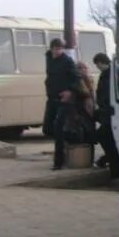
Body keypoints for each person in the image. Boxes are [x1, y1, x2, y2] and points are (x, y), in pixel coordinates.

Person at [44, 38, 79, 170]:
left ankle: (59, 161)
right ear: (52, 48)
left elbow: (77, 77)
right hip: (51, 97)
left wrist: (70, 91)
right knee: (47, 128)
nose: (58, 51)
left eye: (60, 48)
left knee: (58, 127)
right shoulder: (48, 58)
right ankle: (69, 139)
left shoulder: (67, 61)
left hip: (64, 99)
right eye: (56, 48)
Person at [93, 53, 119, 179]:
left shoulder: (108, 75)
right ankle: (110, 164)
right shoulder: (112, 73)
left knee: (104, 137)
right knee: (107, 140)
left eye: (97, 64)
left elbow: (105, 96)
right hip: (109, 114)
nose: (98, 67)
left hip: (110, 114)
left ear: (100, 63)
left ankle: (113, 167)